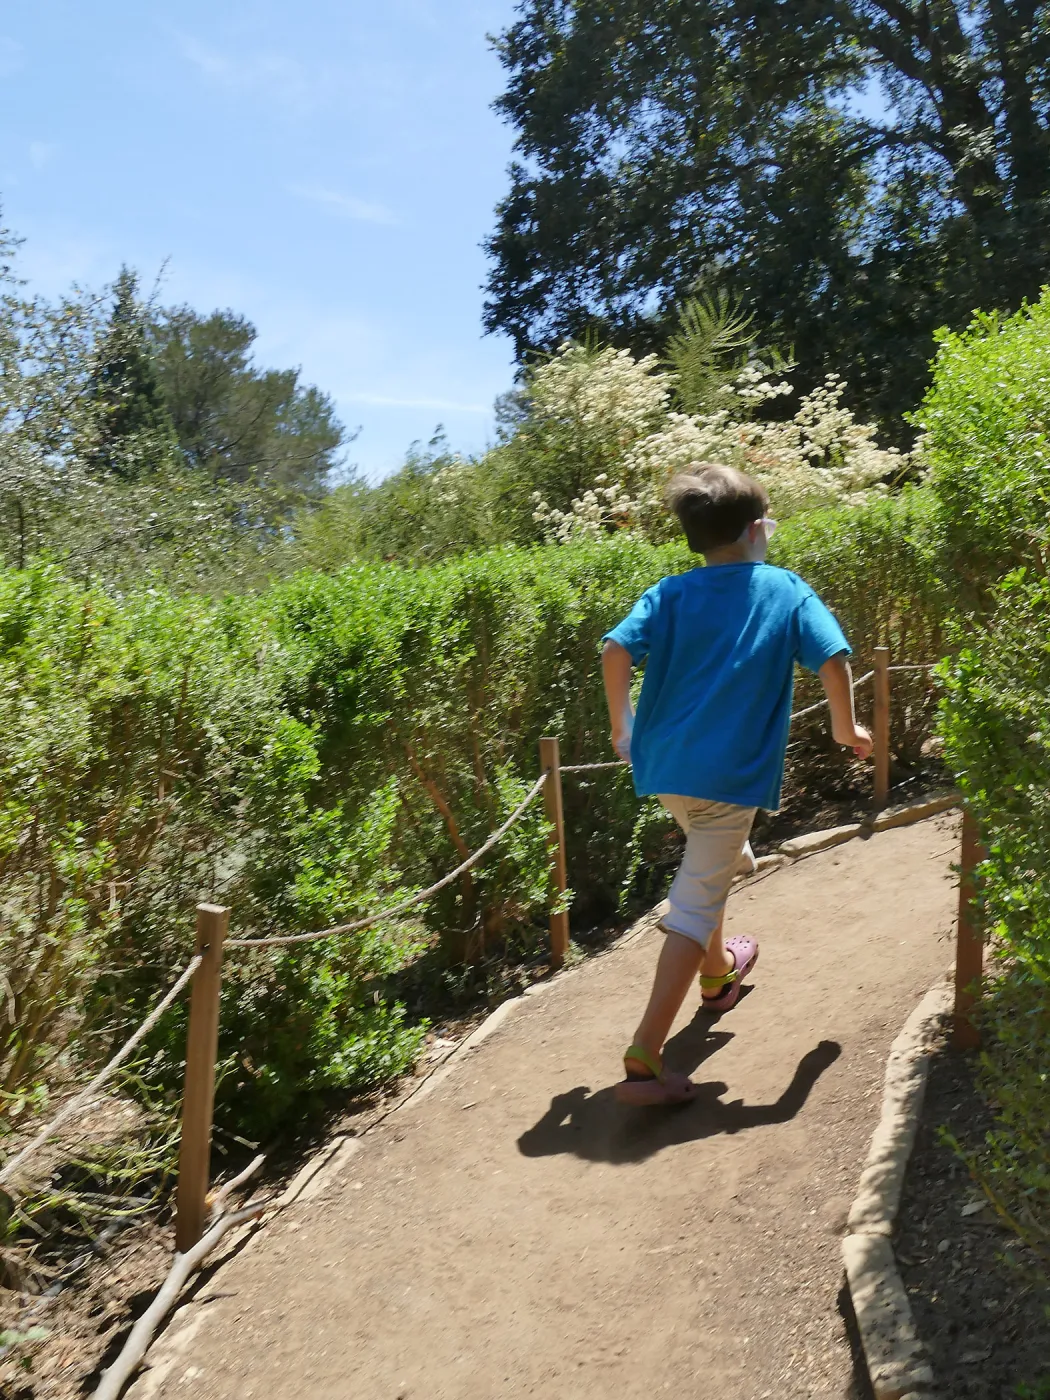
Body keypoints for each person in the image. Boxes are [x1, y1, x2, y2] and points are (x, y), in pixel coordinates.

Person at [601, 464, 873, 1106]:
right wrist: (846, 726)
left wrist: (624, 728)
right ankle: (645, 1056)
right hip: (727, 778)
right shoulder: (785, 589)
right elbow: (833, 658)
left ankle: (720, 975)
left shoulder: (669, 592)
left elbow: (614, 650)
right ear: (757, 530)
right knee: (693, 903)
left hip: (664, 766)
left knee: (715, 863)